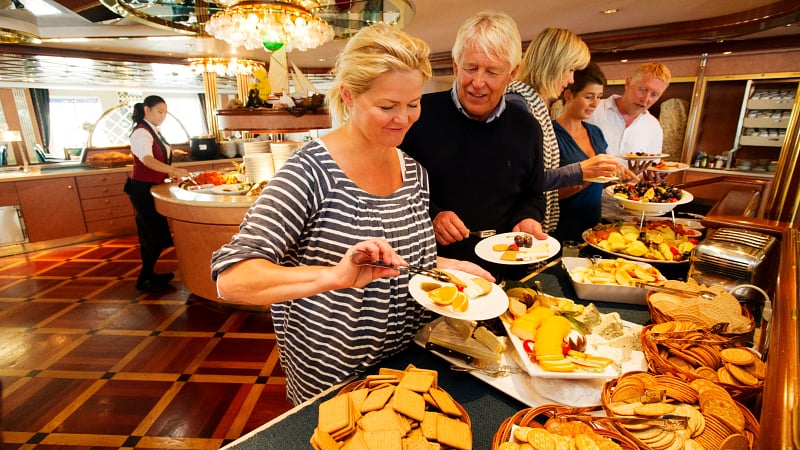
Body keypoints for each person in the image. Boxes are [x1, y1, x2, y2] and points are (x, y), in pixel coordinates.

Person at [210, 24, 492, 405]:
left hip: (413, 367)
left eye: (413, 104)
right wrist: (334, 276)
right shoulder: (308, 172)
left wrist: (445, 266)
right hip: (336, 378)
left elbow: (388, 260)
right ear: (348, 96)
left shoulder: (413, 172)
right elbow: (233, 278)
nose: (404, 119)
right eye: (387, 107)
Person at [401, 11, 547, 269]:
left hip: (504, 268)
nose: (477, 83)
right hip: (431, 269)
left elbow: (533, 195)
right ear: (456, 66)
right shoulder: (417, 115)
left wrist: (527, 218)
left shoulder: (527, 128)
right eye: (470, 68)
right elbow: (392, 190)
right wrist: (433, 214)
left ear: (512, 73)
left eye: (492, 72)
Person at [506, 27, 629, 234]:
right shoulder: (519, 104)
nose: (571, 79)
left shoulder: (535, 103)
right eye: (570, 70)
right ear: (553, 65)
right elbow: (518, 180)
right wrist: (580, 171)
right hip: (517, 221)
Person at [587, 62, 671, 218]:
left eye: (654, 95)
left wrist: (653, 178)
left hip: (629, 211)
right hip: (586, 204)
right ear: (628, 82)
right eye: (643, 89)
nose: (646, 99)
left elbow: (649, 173)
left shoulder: (654, 127)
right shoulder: (593, 111)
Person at [125, 95, 189, 292]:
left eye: (165, 112)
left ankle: (148, 275)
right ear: (146, 110)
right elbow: (147, 160)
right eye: (160, 111)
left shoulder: (153, 131)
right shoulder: (141, 133)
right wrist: (172, 171)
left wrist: (171, 171)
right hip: (142, 190)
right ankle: (144, 278)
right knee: (152, 236)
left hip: (150, 187)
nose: (163, 116)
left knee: (154, 236)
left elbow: (159, 160)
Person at [553, 62, 617, 241]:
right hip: (562, 229)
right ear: (569, 95)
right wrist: (589, 176)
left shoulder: (595, 132)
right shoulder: (551, 134)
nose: (595, 103)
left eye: (599, 97)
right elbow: (545, 191)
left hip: (594, 229)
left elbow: (603, 181)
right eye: (589, 96)